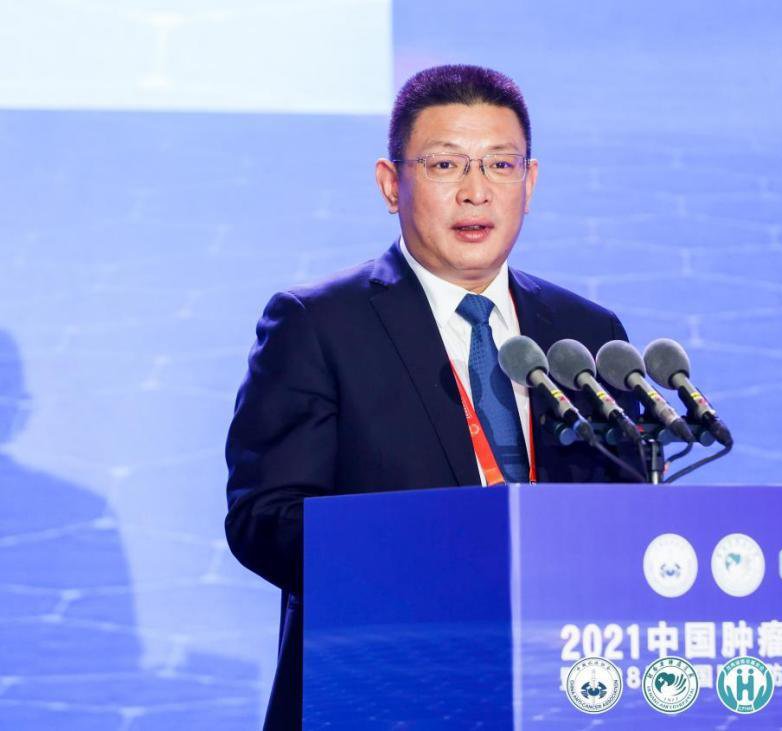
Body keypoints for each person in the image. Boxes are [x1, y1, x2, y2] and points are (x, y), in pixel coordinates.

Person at [224, 64, 640, 730]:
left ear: (530, 183)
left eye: (500, 165)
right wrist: (436, 554)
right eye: (446, 165)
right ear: (392, 185)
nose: (476, 192)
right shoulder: (317, 324)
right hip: (384, 687)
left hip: (562, 687)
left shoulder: (586, 333)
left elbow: (627, 514)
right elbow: (263, 518)